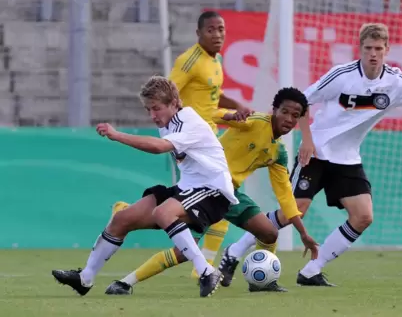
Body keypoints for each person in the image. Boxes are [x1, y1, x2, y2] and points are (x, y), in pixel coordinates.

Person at [224, 22, 402, 287]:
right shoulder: (342, 75)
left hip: (347, 158)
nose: (373, 54)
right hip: (317, 151)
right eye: (368, 48)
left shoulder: (396, 82)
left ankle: (311, 270)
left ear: (387, 50)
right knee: (293, 212)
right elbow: (301, 103)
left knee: (363, 216)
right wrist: (306, 140)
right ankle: (234, 253)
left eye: (378, 48)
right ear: (360, 48)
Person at [104, 87, 319, 294]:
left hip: (229, 193)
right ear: (274, 110)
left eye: (295, 115)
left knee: (269, 233)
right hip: (205, 187)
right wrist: (232, 114)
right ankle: (125, 282)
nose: (289, 119)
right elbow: (208, 115)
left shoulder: (278, 153)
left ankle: (264, 282)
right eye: (285, 112)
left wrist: (303, 233)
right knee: (182, 253)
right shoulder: (253, 122)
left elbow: (285, 195)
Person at [51, 76, 239, 298]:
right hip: (188, 189)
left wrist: (117, 135)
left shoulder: (189, 121)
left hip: (213, 192)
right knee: (122, 219)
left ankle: (206, 271)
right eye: (148, 110)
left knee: (163, 212)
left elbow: (160, 148)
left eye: (156, 108)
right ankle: (85, 279)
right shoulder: (168, 123)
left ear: (174, 103)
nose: (152, 116)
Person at [113, 11, 252, 281]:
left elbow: (212, 96)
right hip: (190, 142)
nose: (217, 35)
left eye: (221, 29)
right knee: (216, 200)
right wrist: (169, 130)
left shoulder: (216, 60)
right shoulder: (188, 61)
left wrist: (235, 107)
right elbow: (167, 94)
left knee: (217, 203)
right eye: (211, 30)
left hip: (207, 142)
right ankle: (204, 268)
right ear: (198, 33)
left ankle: (201, 265)